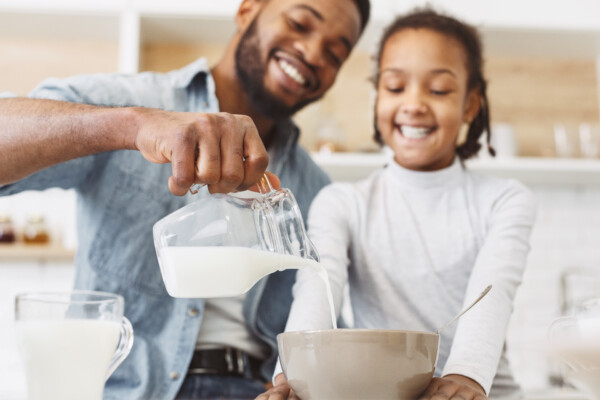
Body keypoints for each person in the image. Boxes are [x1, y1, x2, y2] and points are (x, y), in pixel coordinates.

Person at [0, 0, 371, 398]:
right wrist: (132, 125)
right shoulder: (133, 102)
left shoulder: (315, 187)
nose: (313, 54)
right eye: (300, 22)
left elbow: (322, 315)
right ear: (247, 11)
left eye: (335, 53)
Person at [259, 8, 536, 400]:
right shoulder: (342, 202)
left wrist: (466, 378)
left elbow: (495, 292)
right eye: (394, 88)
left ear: (470, 105)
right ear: (377, 99)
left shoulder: (505, 200)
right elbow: (318, 288)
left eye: (438, 90)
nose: (414, 104)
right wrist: (293, 376)